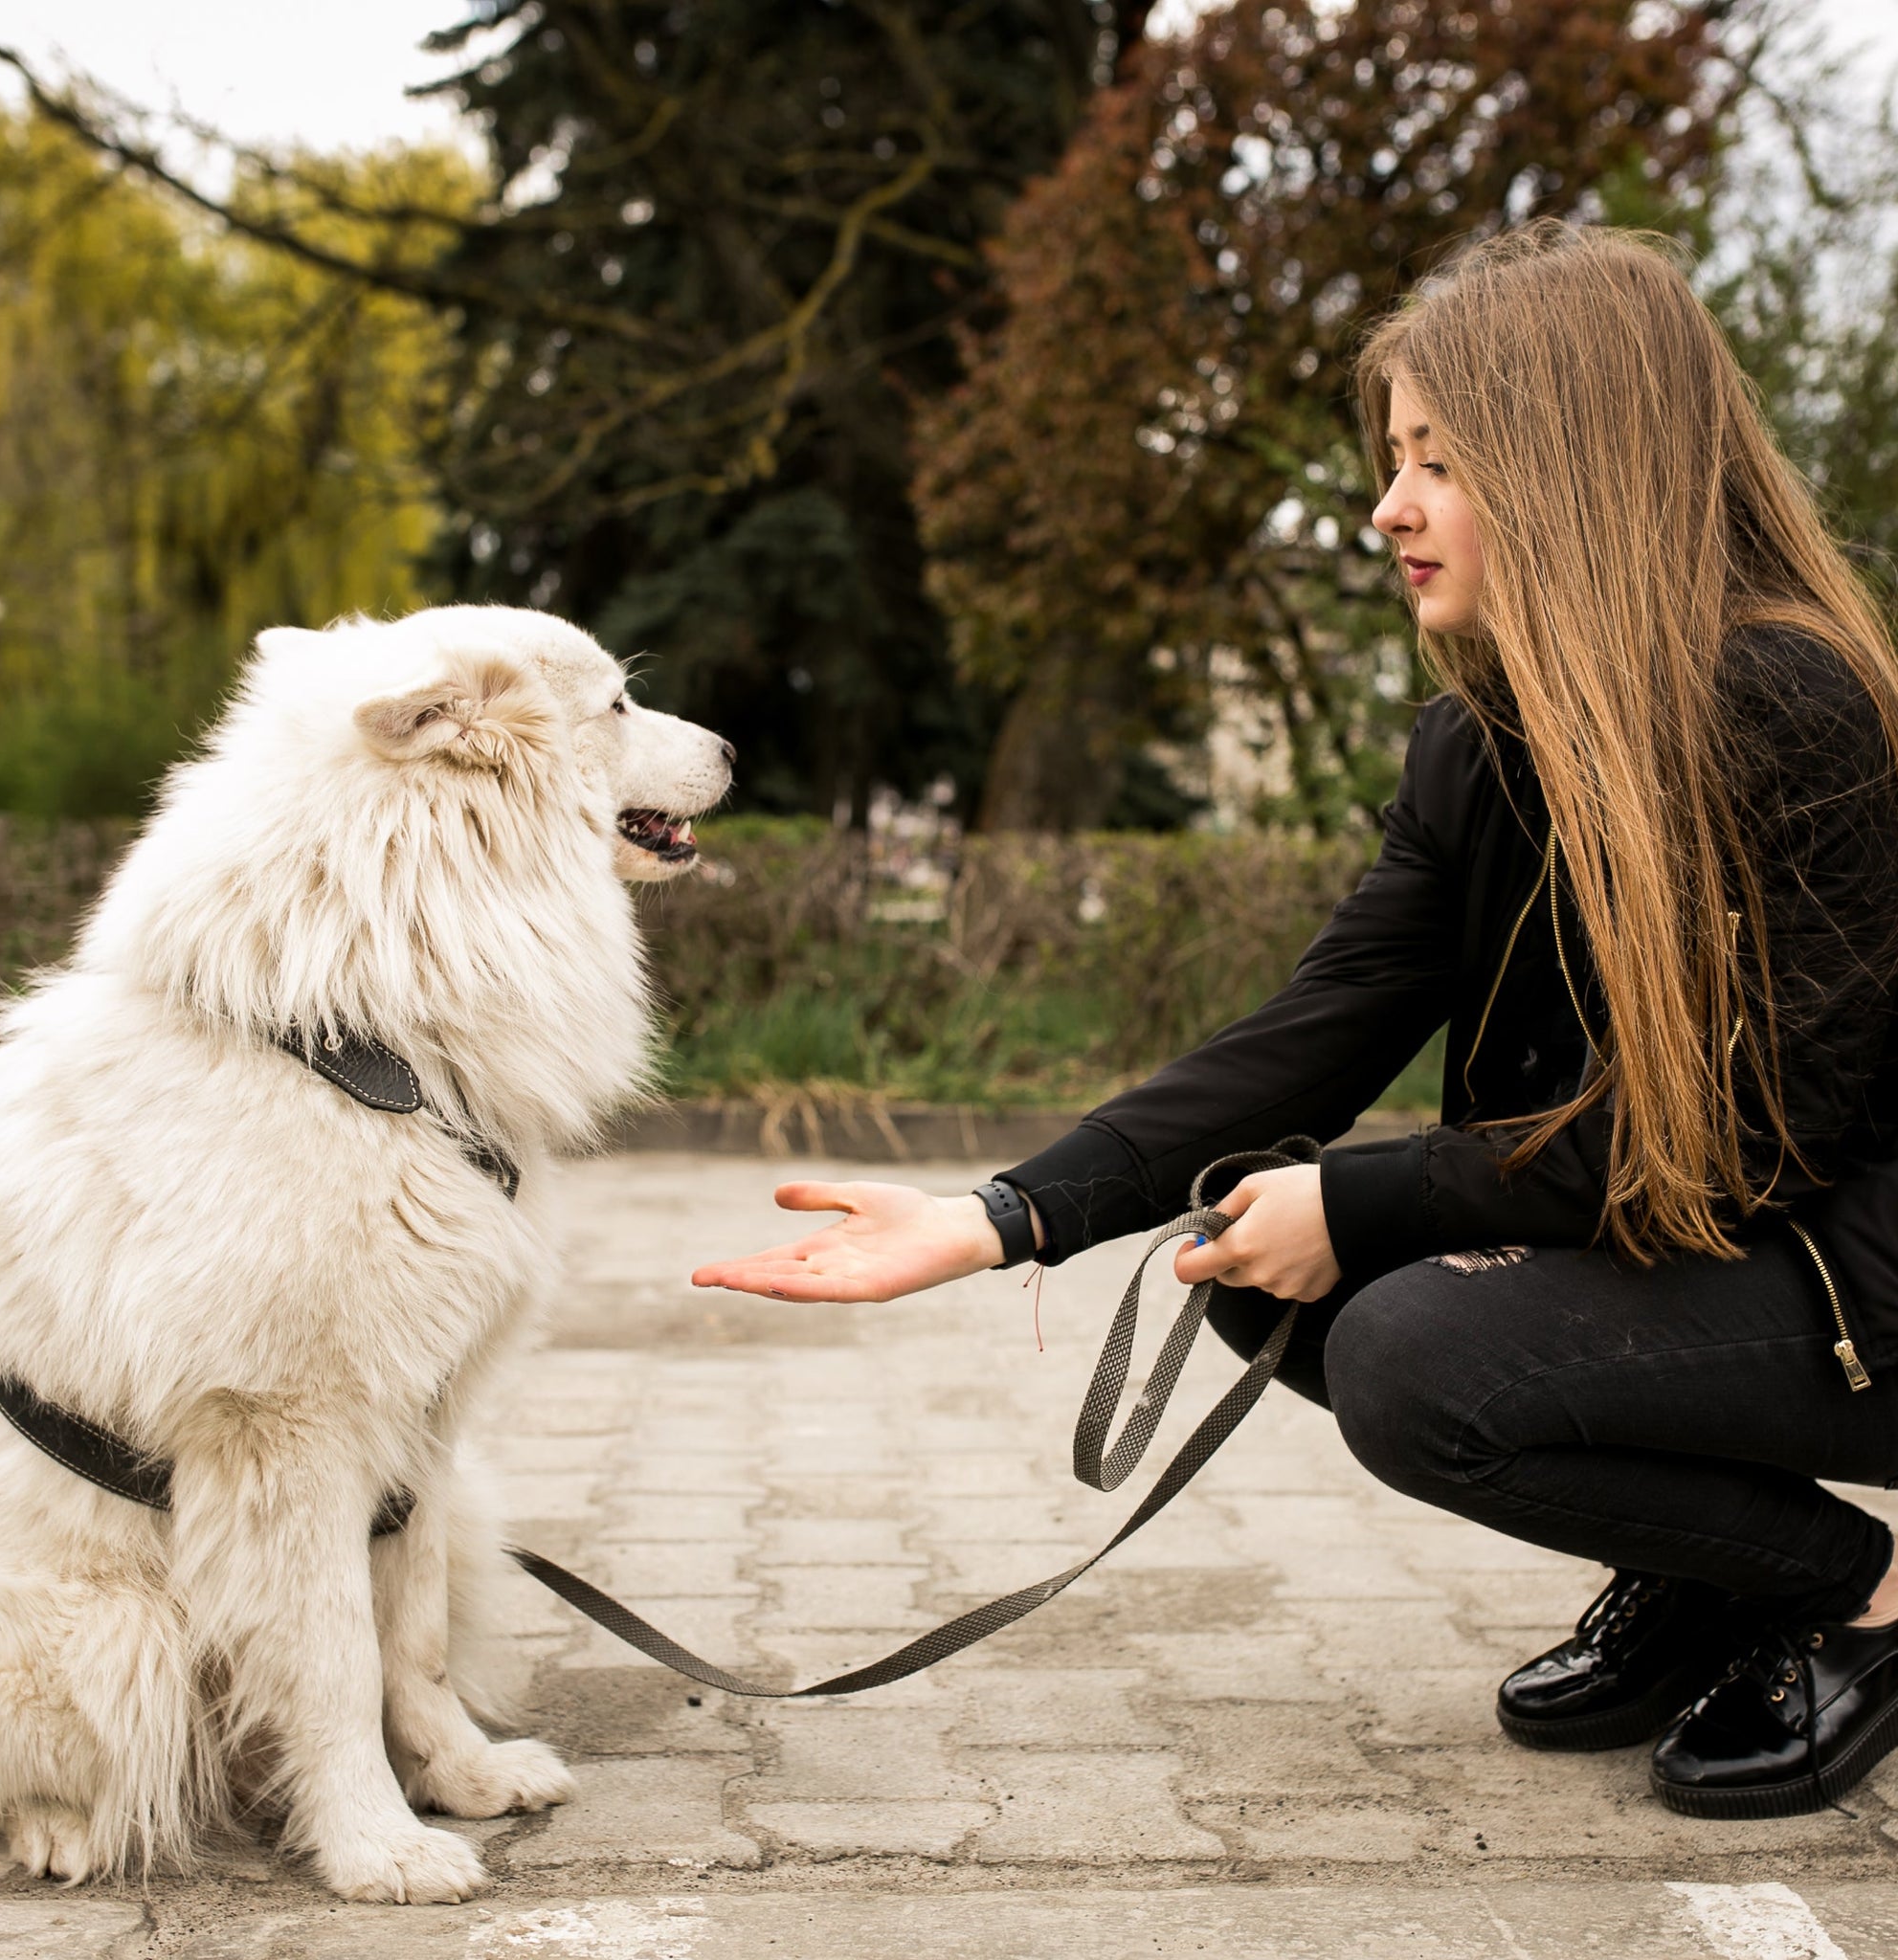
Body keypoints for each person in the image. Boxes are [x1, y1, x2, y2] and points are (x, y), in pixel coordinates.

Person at [692, 221, 1898, 1818]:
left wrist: (1369, 1196)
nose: (1385, 507)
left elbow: (1760, 1140)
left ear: (1580, 469)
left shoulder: (1796, 708)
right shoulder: (1484, 748)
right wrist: (999, 1218)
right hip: (1732, 1252)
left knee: (1409, 1344)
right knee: (1262, 1264)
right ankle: (1707, 1570)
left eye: (1438, 462)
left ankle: (1855, 1593)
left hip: (1855, 1274)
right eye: (1395, 458)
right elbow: (1317, 1030)